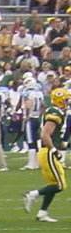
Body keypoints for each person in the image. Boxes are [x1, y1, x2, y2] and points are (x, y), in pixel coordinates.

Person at [23, 87, 69, 223]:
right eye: (66, 99)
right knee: (60, 185)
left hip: (47, 151)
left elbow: (56, 138)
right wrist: (54, 150)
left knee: (53, 184)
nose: (68, 102)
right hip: (48, 152)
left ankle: (42, 213)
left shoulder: (56, 111)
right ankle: (32, 194)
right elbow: (45, 134)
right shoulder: (54, 112)